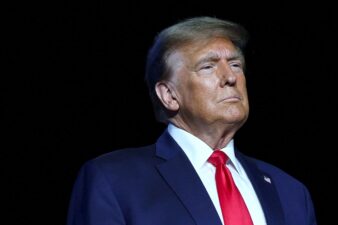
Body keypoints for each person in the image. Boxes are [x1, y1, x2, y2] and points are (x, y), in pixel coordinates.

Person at [66, 16, 317, 225]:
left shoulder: (291, 192)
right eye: (208, 66)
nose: (230, 77)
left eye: (235, 64)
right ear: (169, 95)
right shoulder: (114, 180)